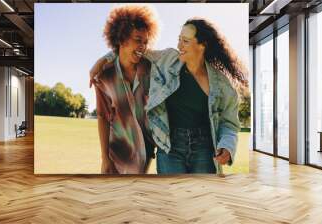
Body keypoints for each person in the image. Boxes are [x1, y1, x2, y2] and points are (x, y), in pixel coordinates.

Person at [91, 17, 248, 175]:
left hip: (205, 149)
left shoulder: (222, 85)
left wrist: (227, 147)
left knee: (201, 196)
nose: (179, 46)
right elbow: (132, 49)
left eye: (185, 41)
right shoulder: (167, 59)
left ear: (202, 45)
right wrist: (102, 61)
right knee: (171, 197)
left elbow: (229, 124)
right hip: (169, 146)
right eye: (179, 39)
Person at [92, 5, 158, 174]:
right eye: (138, 40)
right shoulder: (105, 76)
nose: (142, 46)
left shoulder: (151, 70)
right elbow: (102, 117)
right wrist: (105, 159)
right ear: (122, 39)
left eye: (145, 42)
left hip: (145, 152)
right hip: (117, 155)